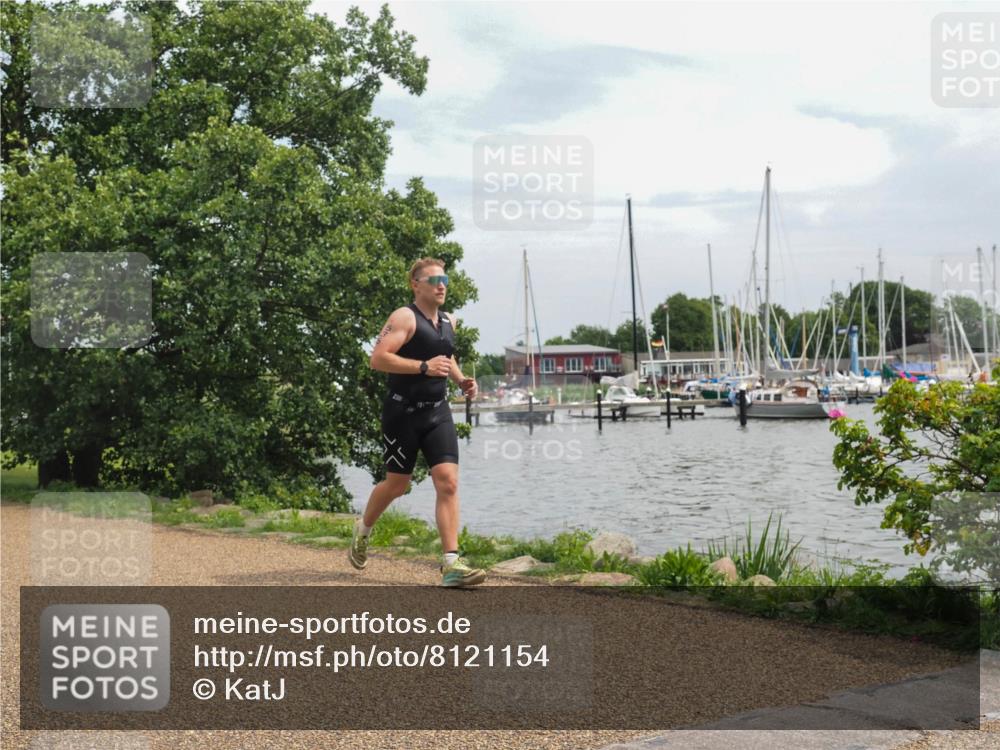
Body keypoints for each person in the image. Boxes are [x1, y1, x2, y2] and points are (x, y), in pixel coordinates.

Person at [349, 257, 485, 587]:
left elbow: (445, 355)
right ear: (416, 285)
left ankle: (451, 564)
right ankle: (363, 529)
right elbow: (378, 358)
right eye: (434, 279)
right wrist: (422, 367)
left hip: (437, 411)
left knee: (448, 481)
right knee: (398, 484)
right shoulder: (404, 317)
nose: (442, 285)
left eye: (445, 279)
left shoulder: (449, 320)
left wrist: (461, 379)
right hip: (402, 413)